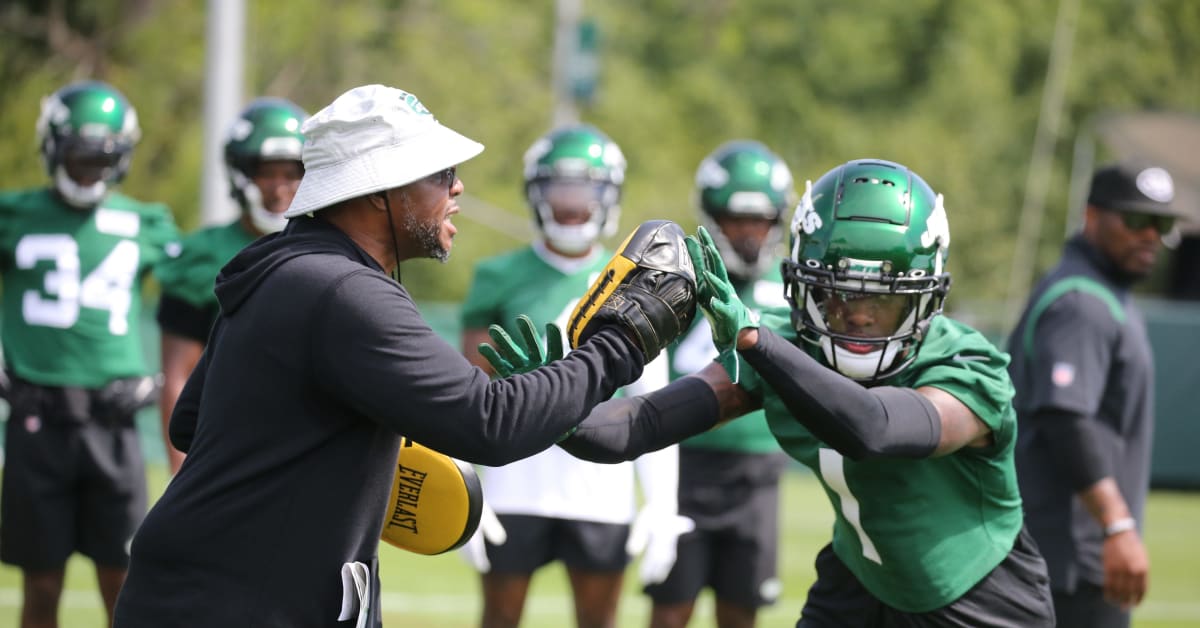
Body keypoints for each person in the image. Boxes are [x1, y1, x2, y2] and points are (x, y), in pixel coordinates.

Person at [110, 84, 686, 628]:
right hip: (238, 604)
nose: (458, 188)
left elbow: (192, 420)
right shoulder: (344, 291)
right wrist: (619, 344)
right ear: (381, 188)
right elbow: (489, 421)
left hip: (219, 590)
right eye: (441, 173)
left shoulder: (288, 267)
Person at [543, 158, 1056, 626]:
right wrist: (556, 410)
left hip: (979, 595)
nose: (858, 316)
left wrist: (755, 343)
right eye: (836, 297)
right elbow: (644, 423)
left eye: (883, 303)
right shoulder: (783, 344)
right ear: (801, 288)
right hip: (859, 580)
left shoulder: (967, 364)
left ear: (926, 298)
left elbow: (874, 429)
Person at [459, 124, 690, 628]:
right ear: (536, 194)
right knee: (498, 619)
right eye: (560, 191)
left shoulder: (639, 279)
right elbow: (467, 392)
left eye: (585, 192)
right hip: (512, 481)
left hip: (601, 485)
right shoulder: (497, 276)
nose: (571, 206)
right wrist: (464, 485)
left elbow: (654, 399)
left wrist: (663, 503)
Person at [0, 80, 181, 628]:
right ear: (53, 148)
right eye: (78, 156)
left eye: (100, 159)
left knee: (125, 581)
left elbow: (200, 296)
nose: (87, 170)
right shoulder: (14, 213)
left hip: (115, 419)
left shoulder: (147, 221)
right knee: (42, 584)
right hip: (38, 419)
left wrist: (167, 375)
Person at [1008, 162, 1176, 627]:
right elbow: (1066, 419)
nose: (1150, 236)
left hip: (1074, 554)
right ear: (1091, 217)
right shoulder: (1081, 301)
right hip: (1067, 559)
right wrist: (1117, 525)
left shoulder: (1103, 291)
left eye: (1162, 224)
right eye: (1137, 220)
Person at [645, 140, 793, 628]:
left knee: (741, 612)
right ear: (712, 216)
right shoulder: (683, 276)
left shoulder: (792, 284)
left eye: (760, 221)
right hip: (686, 464)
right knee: (670, 611)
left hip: (757, 474)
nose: (750, 235)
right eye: (737, 220)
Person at [155, 96, 307, 474]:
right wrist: (182, 472)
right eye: (266, 172)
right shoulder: (203, 254)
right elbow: (178, 374)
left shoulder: (330, 246)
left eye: (292, 172)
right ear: (240, 172)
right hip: (226, 439)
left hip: (309, 439)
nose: (279, 187)